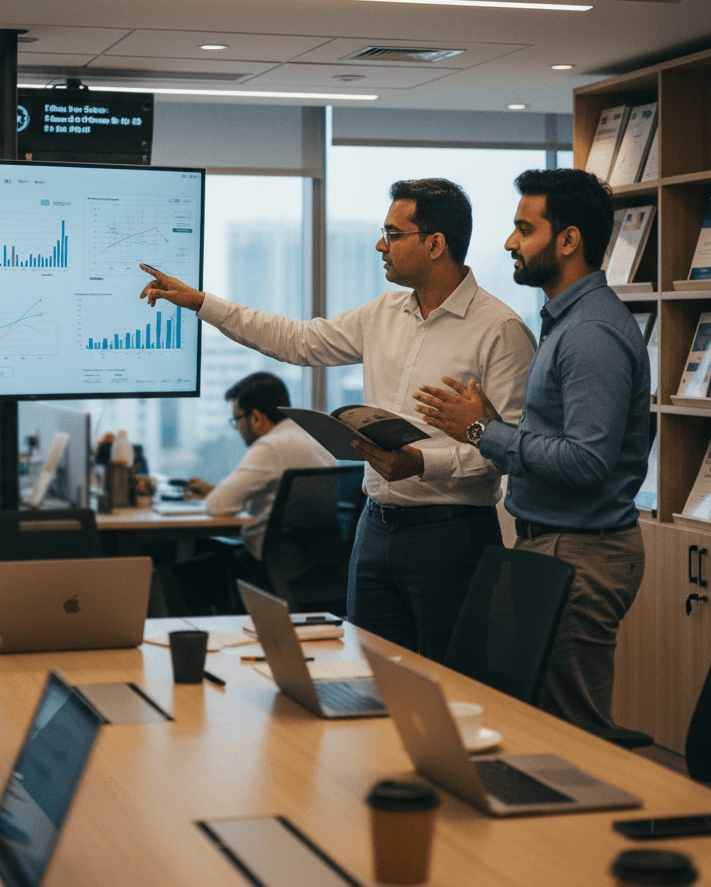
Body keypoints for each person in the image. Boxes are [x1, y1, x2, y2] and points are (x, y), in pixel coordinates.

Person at [140, 178, 535, 659]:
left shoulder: (500, 330)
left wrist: (423, 465)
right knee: (369, 676)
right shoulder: (383, 313)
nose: (379, 245)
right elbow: (296, 340)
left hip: (449, 535)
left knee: (449, 681)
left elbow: (507, 453)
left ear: (435, 244)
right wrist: (203, 303)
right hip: (375, 529)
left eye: (392, 234)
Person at [413, 168, 650, 732]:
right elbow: (553, 444)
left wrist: (482, 432)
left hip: (582, 551)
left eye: (525, 228)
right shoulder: (565, 322)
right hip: (554, 546)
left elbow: (588, 463)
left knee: (573, 735)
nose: (509, 243)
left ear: (568, 241)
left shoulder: (590, 332)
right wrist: (490, 427)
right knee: (538, 726)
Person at [185, 372, 336, 566]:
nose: (237, 428)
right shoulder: (313, 438)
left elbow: (217, 506)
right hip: (315, 565)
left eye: (237, 419)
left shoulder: (271, 446)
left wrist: (217, 496)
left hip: (267, 566)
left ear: (256, 417)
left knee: (183, 561)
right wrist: (214, 490)